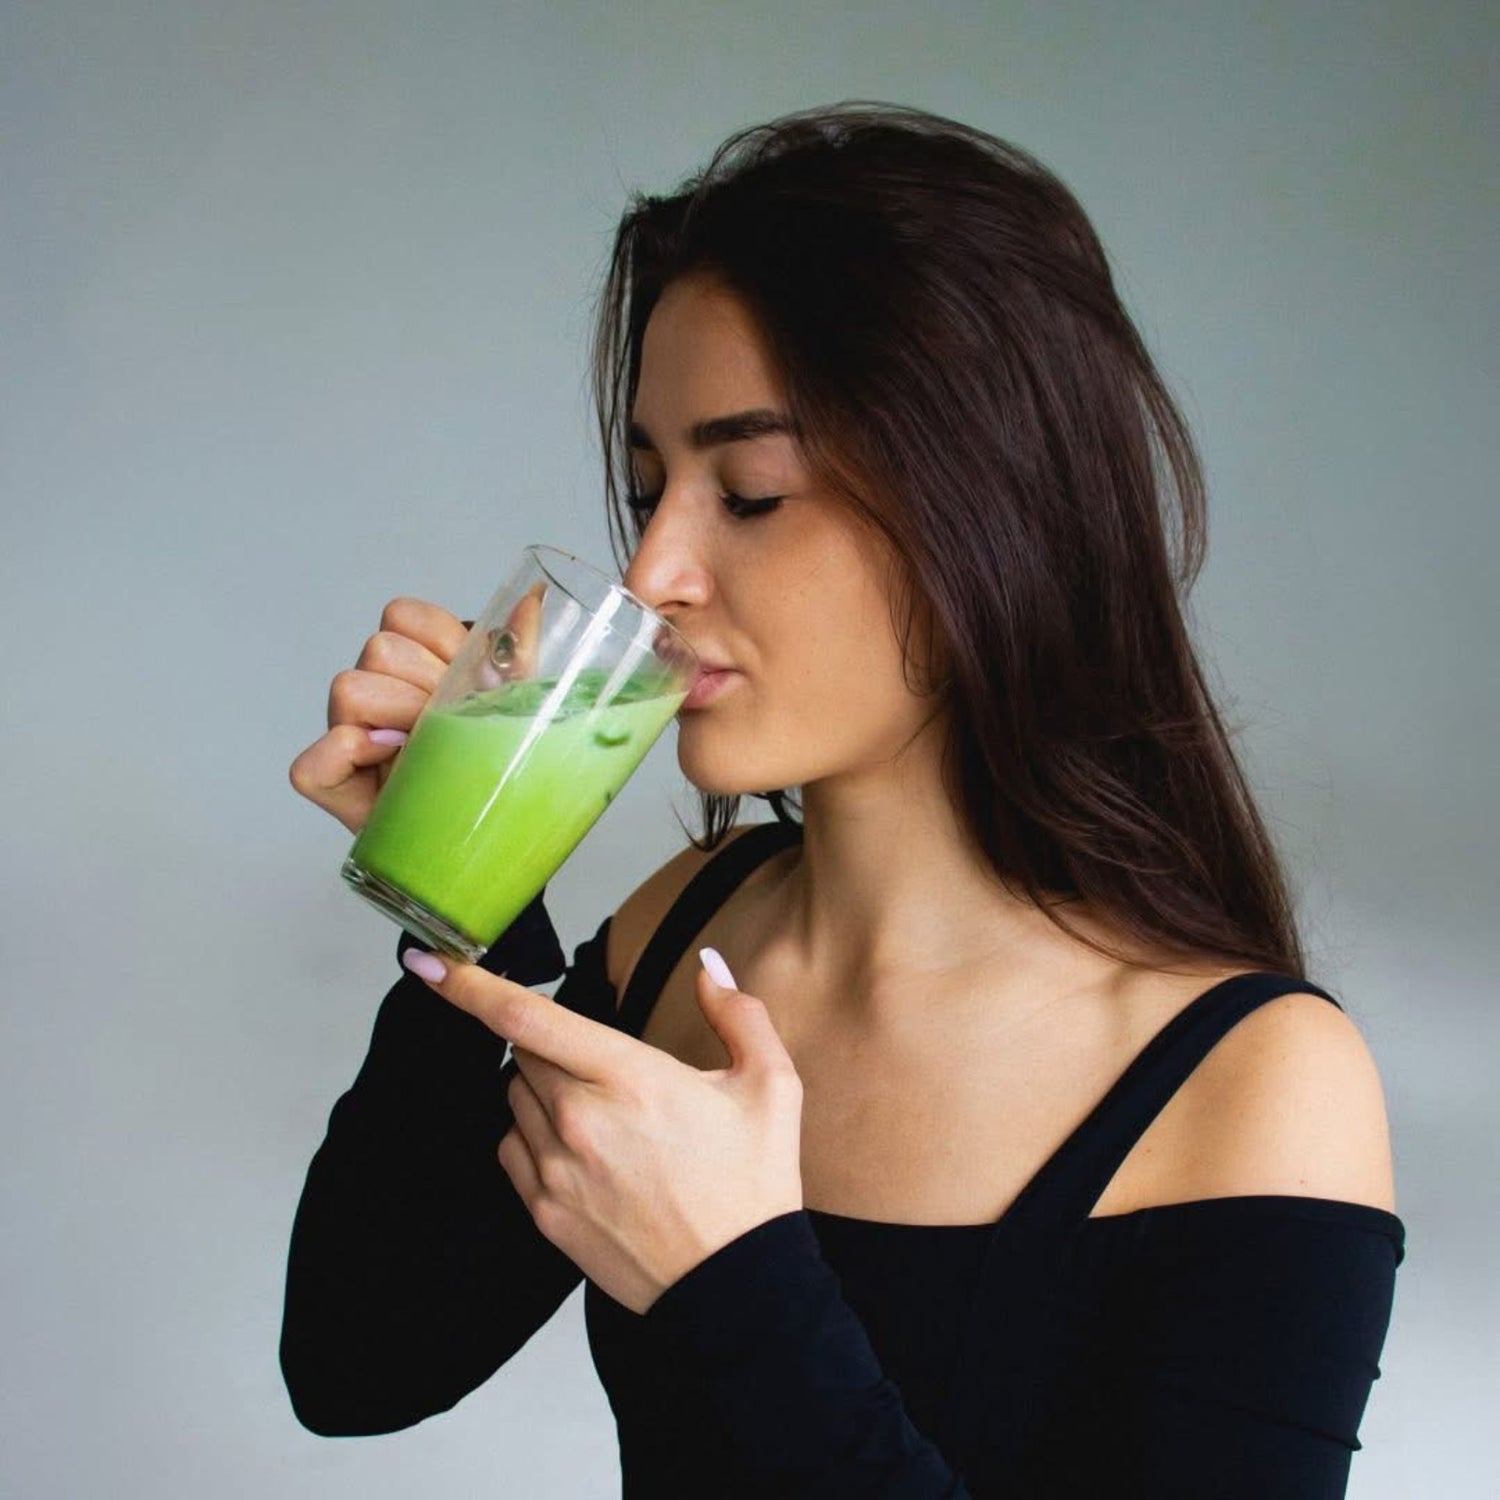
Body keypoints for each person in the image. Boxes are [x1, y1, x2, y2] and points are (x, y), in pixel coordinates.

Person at [281, 102, 1404, 1496]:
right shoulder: (682, 936)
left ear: (987, 511)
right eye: (648, 489)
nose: (652, 575)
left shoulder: (1254, 1080)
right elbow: (357, 1366)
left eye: (749, 492)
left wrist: (731, 1286)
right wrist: (466, 897)